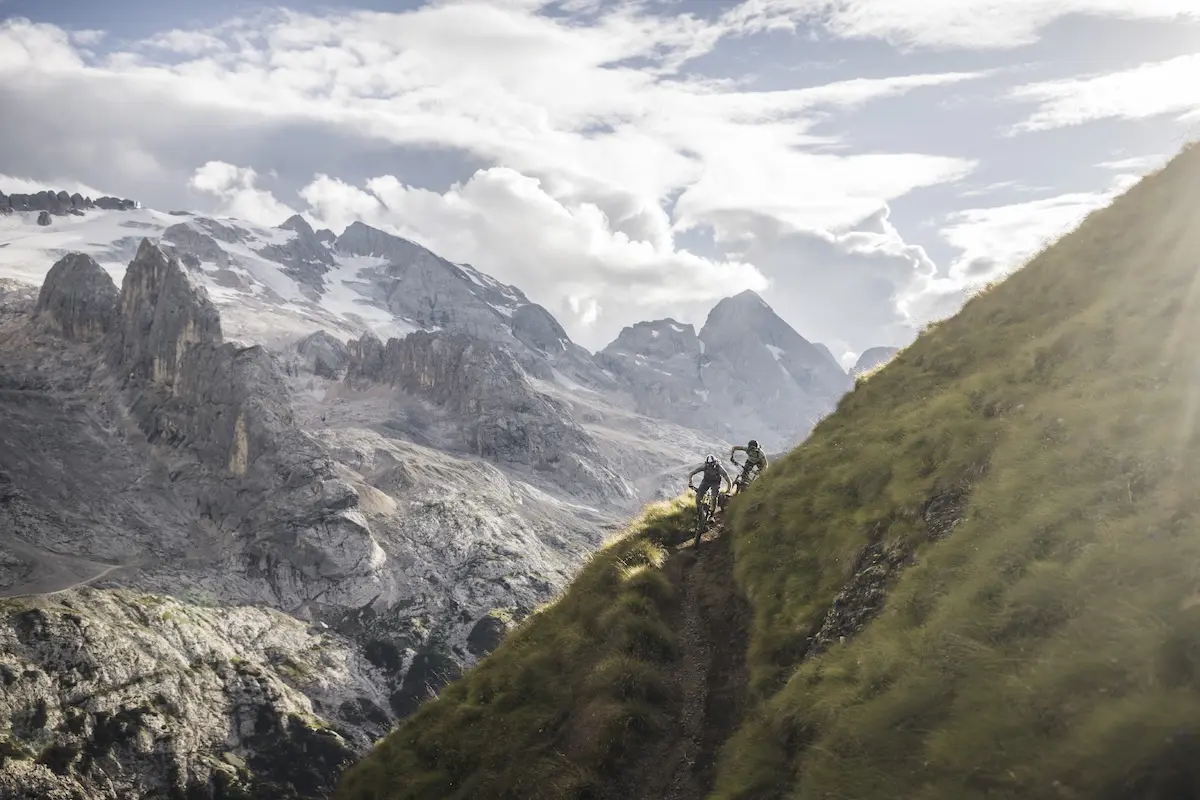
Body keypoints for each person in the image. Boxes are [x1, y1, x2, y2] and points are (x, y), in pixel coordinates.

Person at [688, 454, 731, 523]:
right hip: (706, 481)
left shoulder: (719, 468)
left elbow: (729, 480)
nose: (710, 467)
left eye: (712, 465)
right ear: (706, 464)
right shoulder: (704, 466)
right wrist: (690, 482)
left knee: (714, 497)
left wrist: (728, 490)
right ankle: (700, 515)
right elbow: (691, 473)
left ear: (715, 463)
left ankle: (712, 515)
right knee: (698, 498)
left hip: (715, 483)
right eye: (709, 465)